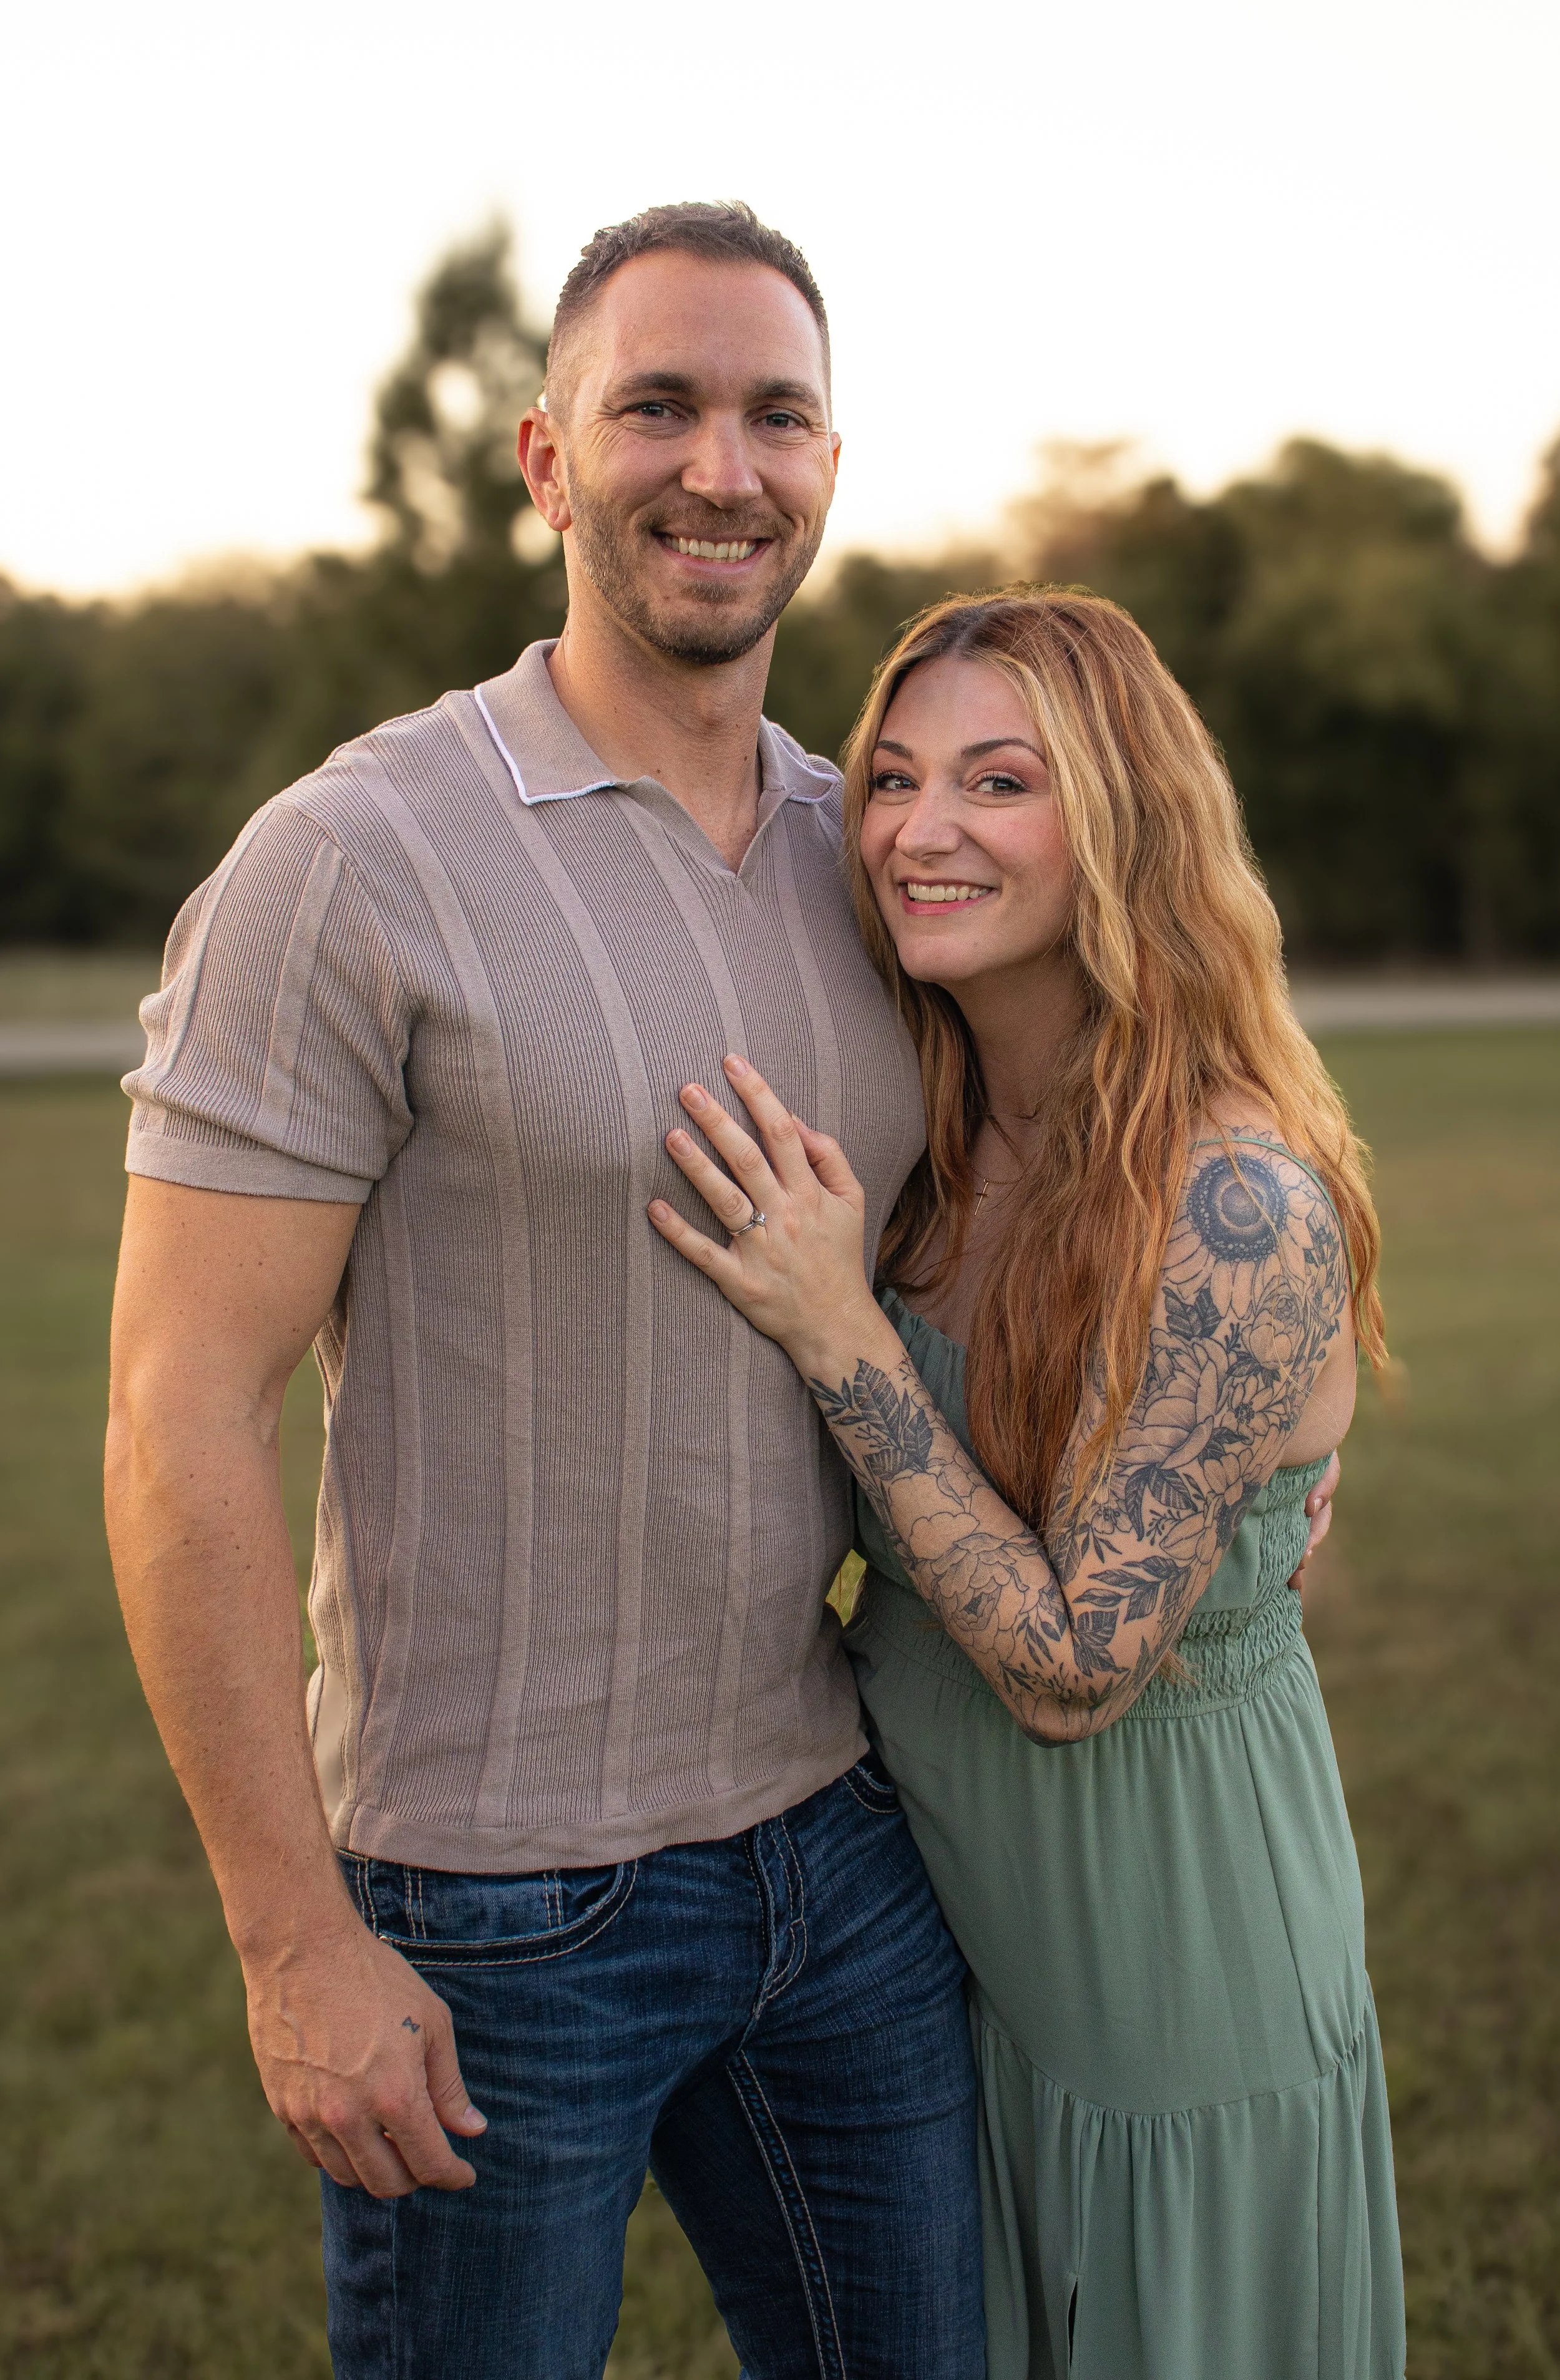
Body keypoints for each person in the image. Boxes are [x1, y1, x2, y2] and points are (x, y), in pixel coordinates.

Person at [103, 202, 989, 2380]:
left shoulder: (858, 847)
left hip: (832, 1827)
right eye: (657, 407)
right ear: (542, 459)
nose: (720, 466)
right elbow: (177, 1413)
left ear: (830, 465)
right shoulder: (355, 858)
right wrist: (294, 1940)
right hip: (496, 1909)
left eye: (774, 413)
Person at [650, 588, 1406, 2379]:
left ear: (1121, 823)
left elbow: (1075, 1664)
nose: (922, 829)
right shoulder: (923, 1140)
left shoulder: (1232, 1203)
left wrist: (841, 1330)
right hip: (930, 1934)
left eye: (1000, 780)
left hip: (1164, 1952)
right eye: (894, 780)